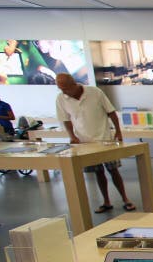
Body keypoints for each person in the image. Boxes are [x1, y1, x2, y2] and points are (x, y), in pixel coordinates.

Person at [55, 73, 136, 213]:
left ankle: (125, 199)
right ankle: (106, 201)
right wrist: (72, 136)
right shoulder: (61, 99)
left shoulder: (95, 92)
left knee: (113, 170)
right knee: (98, 172)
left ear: (73, 84)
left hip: (105, 139)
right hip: (85, 142)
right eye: (60, 89)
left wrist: (118, 131)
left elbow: (111, 112)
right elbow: (66, 120)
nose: (63, 92)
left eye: (65, 88)